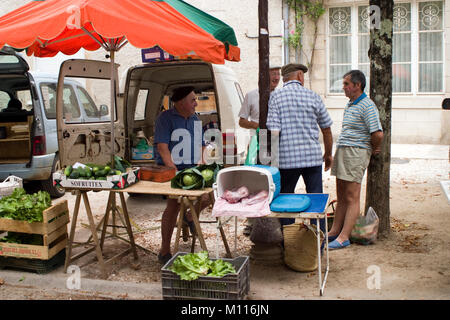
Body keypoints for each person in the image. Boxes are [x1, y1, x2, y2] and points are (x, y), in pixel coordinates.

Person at [266, 63, 333, 232]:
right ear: (300, 77)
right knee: (316, 200)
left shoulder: (276, 97)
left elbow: (274, 132)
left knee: (285, 201)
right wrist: (328, 154)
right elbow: (326, 129)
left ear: (284, 78)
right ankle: (319, 240)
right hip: (312, 158)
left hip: (287, 160)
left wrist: (272, 163)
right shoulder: (313, 96)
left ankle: (289, 240)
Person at [328, 70, 384, 250]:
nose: (343, 87)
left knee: (352, 196)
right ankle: (334, 232)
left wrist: (374, 147)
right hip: (343, 150)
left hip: (356, 152)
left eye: (346, 84)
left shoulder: (368, 105)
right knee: (342, 194)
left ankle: (344, 237)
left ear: (357, 85)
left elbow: (378, 133)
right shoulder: (350, 104)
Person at [154, 86, 210, 264]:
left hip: (192, 168)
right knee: (173, 206)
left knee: (209, 197)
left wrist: (202, 163)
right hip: (171, 169)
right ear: (180, 102)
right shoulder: (165, 118)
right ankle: (164, 250)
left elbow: (202, 145)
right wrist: (174, 172)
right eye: (192, 100)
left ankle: (188, 217)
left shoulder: (195, 118)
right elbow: (162, 148)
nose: (196, 103)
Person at [238, 65, 281, 236]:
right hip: (256, 144)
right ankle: (251, 222)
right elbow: (241, 121)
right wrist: (257, 125)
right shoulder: (251, 95)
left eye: (278, 74)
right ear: (263, 76)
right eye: (273, 74)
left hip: (277, 144)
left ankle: (275, 220)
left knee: (276, 179)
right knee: (254, 181)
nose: (277, 77)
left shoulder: (281, 95)